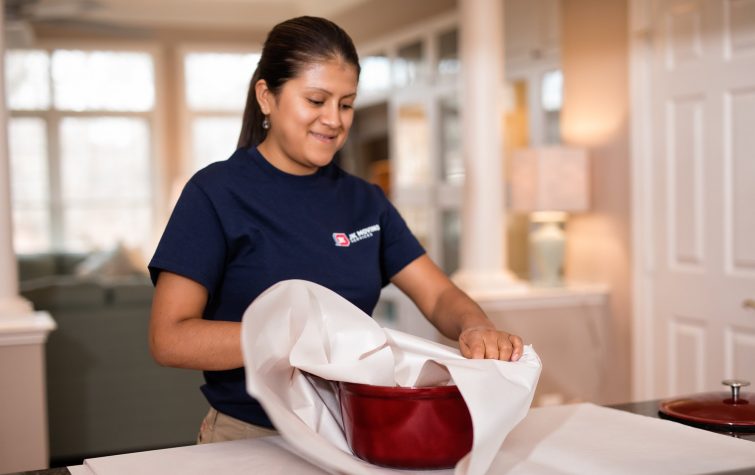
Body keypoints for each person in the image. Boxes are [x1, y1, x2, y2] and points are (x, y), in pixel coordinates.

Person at [148, 16, 523, 444]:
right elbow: (170, 337)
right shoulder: (215, 193)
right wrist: (301, 335)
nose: (334, 120)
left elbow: (438, 294)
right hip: (248, 436)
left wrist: (475, 326)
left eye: (346, 104)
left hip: (352, 433)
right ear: (266, 97)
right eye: (316, 100)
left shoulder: (365, 201)